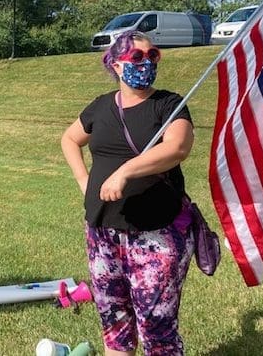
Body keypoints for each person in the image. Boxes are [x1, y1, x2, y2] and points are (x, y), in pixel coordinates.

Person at [61, 30, 195, 356]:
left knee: (157, 328)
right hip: (102, 233)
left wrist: (125, 171)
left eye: (153, 55)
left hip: (156, 234)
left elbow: (178, 147)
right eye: (137, 57)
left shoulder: (168, 104)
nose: (146, 62)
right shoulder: (101, 106)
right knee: (115, 325)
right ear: (117, 65)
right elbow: (69, 139)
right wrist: (84, 181)